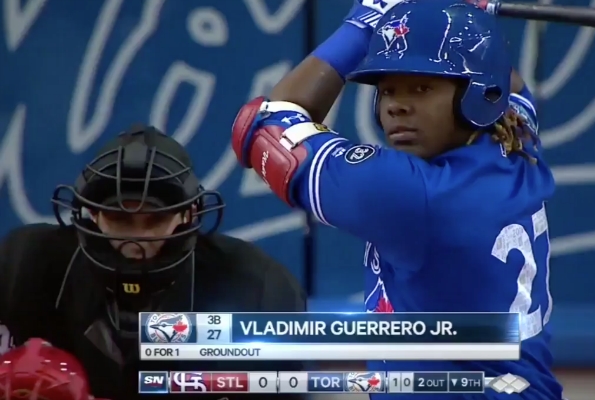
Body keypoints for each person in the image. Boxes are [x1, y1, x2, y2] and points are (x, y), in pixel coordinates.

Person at [231, 0, 563, 399]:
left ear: (478, 96)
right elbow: (505, 78)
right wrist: (448, 15)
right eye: (388, 89)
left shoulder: (412, 194)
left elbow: (266, 124)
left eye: (422, 87)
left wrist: (368, 18)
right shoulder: (516, 135)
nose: (396, 105)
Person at [0, 125, 307, 400]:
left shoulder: (254, 289)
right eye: (119, 218)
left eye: (155, 219)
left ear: (186, 216)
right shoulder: (26, 268)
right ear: (93, 214)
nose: (136, 241)